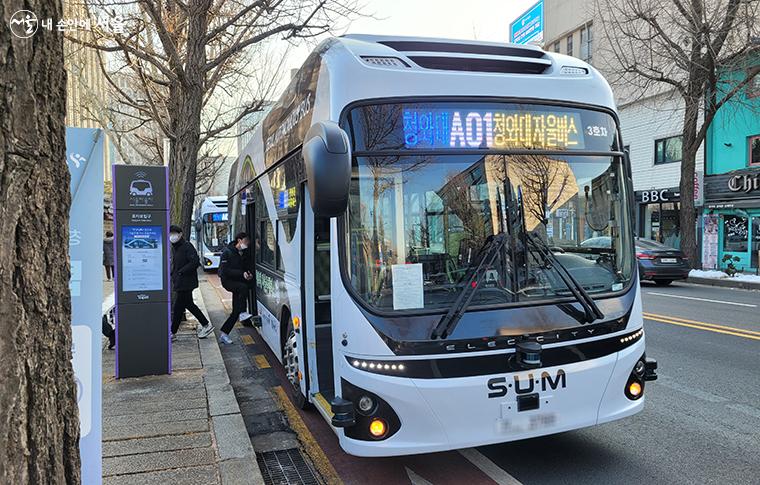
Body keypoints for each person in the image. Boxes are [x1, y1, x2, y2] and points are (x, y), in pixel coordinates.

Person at [169, 225, 213, 341]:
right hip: (180, 282)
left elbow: (195, 262)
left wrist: (181, 272)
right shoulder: (175, 247)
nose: (172, 236)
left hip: (186, 282)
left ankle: (172, 333)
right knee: (188, 305)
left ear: (180, 234)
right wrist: (173, 273)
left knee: (178, 307)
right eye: (170, 234)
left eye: (174, 233)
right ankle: (205, 325)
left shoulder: (187, 246)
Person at [218, 232, 254, 344]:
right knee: (243, 287)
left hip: (238, 282)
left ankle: (224, 334)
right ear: (239, 240)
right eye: (246, 241)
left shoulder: (243, 252)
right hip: (228, 282)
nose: (247, 243)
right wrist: (241, 274)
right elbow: (224, 271)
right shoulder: (227, 252)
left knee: (235, 311)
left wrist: (248, 274)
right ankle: (243, 312)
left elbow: (246, 267)